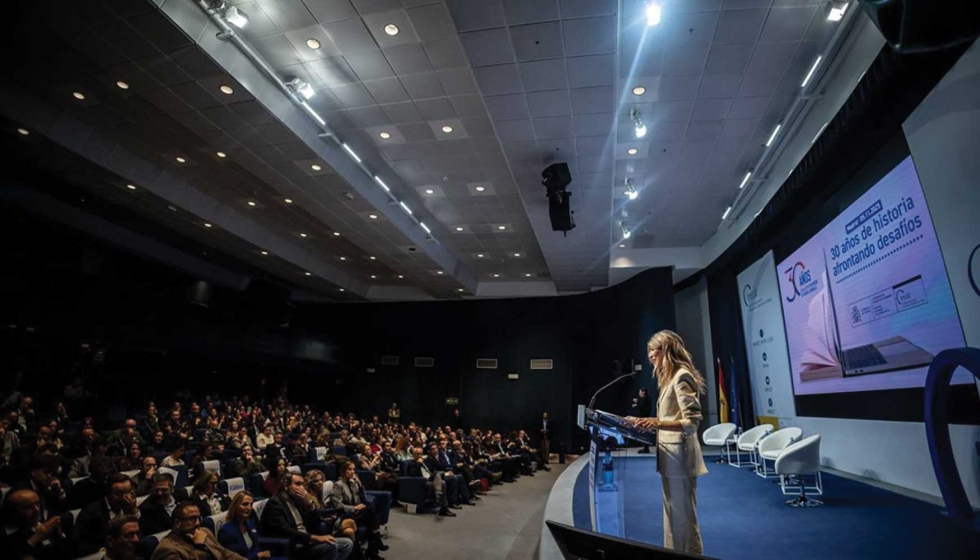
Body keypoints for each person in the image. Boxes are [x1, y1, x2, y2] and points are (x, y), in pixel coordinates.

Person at [627, 330, 708, 555]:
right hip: (671, 459)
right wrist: (643, 422)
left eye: (655, 349)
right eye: (649, 350)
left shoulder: (682, 376)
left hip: (679, 459)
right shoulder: (669, 379)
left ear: (669, 350)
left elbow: (691, 422)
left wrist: (655, 422)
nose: (651, 355)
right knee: (673, 518)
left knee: (683, 517)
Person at [260, 471, 354, 560]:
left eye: (302, 484)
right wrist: (316, 538)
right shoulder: (275, 503)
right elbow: (285, 530)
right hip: (293, 544)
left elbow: (315, 526)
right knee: (331, 546)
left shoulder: (299, 500)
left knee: (347, 543)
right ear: (285, 486)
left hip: (307, 540)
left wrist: (310, 507)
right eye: (297, 484)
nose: (302, 488)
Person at [330, 459, 387, 560]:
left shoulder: (353, 483)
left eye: (354, 469)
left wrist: (360, 485)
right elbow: (338, 505)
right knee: (370, 510)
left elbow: (363, 499)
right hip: (346, 515)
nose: (352, 472)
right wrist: (354, 507)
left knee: (369, 511)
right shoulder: (338, 485)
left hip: (357, 513)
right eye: (349, 469)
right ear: (343, 471)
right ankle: (375, 543)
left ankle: (373, 549)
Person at [74, 473, 141, 555]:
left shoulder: (130, 507)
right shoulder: (90, 512)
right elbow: (78, 543)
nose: (124, 498)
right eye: (119, 494)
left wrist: (133, 512)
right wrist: (100, 550)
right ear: (108, 493)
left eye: (128, 492)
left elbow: (141, 535)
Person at [151, 501, 245, 560]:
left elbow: (225, 553)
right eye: (192, 519)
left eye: (199, 518)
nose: (197, 523)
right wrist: (198, 547)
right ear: (177, 523)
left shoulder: (204, 531)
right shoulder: (167, 549)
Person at [2, 488, 73, 560]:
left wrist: (60, 533)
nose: (37, 510)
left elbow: (67, 553)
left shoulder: (46, 522)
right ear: (14, 511)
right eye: (28, 507)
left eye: (38, 504)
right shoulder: (7, 536)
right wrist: (34, 540)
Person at [218, 491, 274, 560]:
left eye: (251, 504)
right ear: (235, 506)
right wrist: (258, 556)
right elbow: (233, 558)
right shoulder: (226, 531)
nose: (249, 508)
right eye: (245, 504)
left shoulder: (250, 523)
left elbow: (257, 545)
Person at [633, 388, 652, 454]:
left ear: (643, 392)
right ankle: (645, 448)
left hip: (644, 419)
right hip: (644, 419)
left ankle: (646, 448)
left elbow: (643, 408)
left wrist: (637, 404)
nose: (639, 393)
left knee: (644, 433)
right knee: (643, 433)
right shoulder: (645, 399)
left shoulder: (645, 399)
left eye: (640, 392)